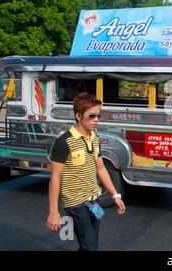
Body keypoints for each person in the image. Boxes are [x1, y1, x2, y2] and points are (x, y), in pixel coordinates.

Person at [46, 92, 126, 251]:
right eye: (91, 116)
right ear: (78, 116)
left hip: (94, 202)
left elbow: (101, 168)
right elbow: (55, 177)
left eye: (98, 115)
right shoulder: (64, 142)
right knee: (89, 246)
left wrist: (115, 195)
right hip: (76, 204)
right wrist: (53, 211)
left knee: (91, 243)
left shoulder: (95, 138)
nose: (96, 119)